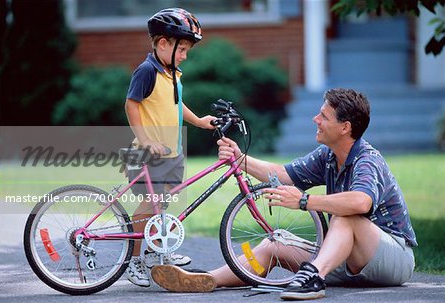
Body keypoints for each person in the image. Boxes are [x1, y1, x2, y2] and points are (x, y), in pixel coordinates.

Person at [150, 88, 417, 300]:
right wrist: (240, 158)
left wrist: (304, 201)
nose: (316, 120)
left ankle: (313, 278)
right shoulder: (328, 156)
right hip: (345, 260)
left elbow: (361, 201)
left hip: (391, 259)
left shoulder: (367, 160)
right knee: (272, 244)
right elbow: (284, 174)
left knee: (345, 216)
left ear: (345, 127)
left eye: (323, 116)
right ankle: (207, 279)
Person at [123, 8, 215, 287]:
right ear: (163, 43)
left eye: (187, 50)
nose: (185, 55)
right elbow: (131, 104)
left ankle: (154, 254)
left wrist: (198, 121)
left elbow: (176, 104)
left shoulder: (171, 73)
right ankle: (133, 260)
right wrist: (145, 139)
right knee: (149, 206)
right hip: (148, 152)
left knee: (161, 205)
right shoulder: (147, 71)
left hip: (170, 153)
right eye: (182, 49)